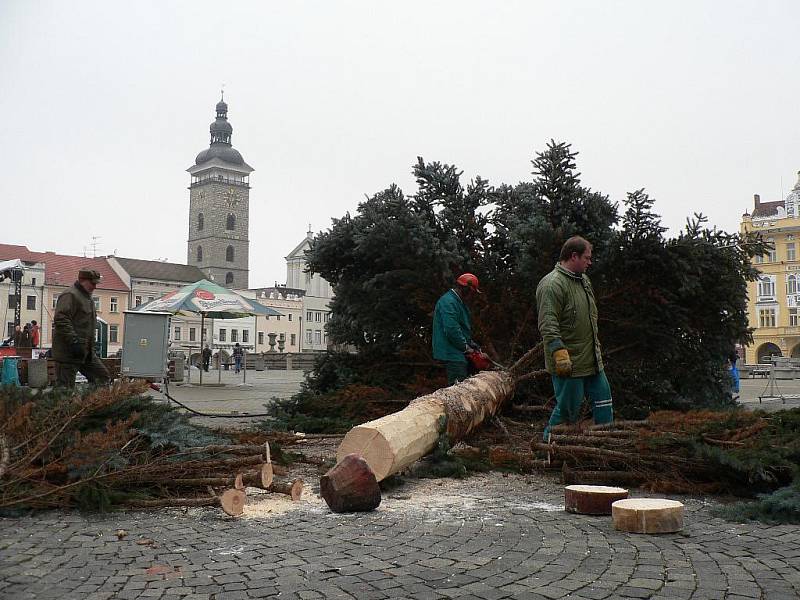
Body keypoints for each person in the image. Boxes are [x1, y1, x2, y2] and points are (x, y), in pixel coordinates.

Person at [536, 236, 613, 440]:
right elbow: (548, 323)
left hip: (592, 360)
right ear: (573, 256)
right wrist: (558, 351)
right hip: (569, 362)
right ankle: (546, 449)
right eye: (587, 258)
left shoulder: (583, 281)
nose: (590, 262)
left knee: (604, 405)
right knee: (567, 411)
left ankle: (607, 446)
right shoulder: (552, 285)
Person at [52, 269, 110, 387]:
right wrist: (74, 342)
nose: (95, 287)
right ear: (82, 280)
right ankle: (69, 404)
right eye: (92, 283)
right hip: (68, 353)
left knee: (102, 377)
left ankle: (92, 404)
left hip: (85, 352)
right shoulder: (70, 295)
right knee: (65, 390)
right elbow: (61, 319)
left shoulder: (87, 298)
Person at [432, 273, 483, 385]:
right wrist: (465, 347)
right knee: (459, 391)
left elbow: (462, 328)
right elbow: (451, 329)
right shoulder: (449, 302)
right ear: (465, 289)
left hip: (458, 353)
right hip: (452, 353)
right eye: (472, 292)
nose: (472, 296)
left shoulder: (458, 302)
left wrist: (472, 344)